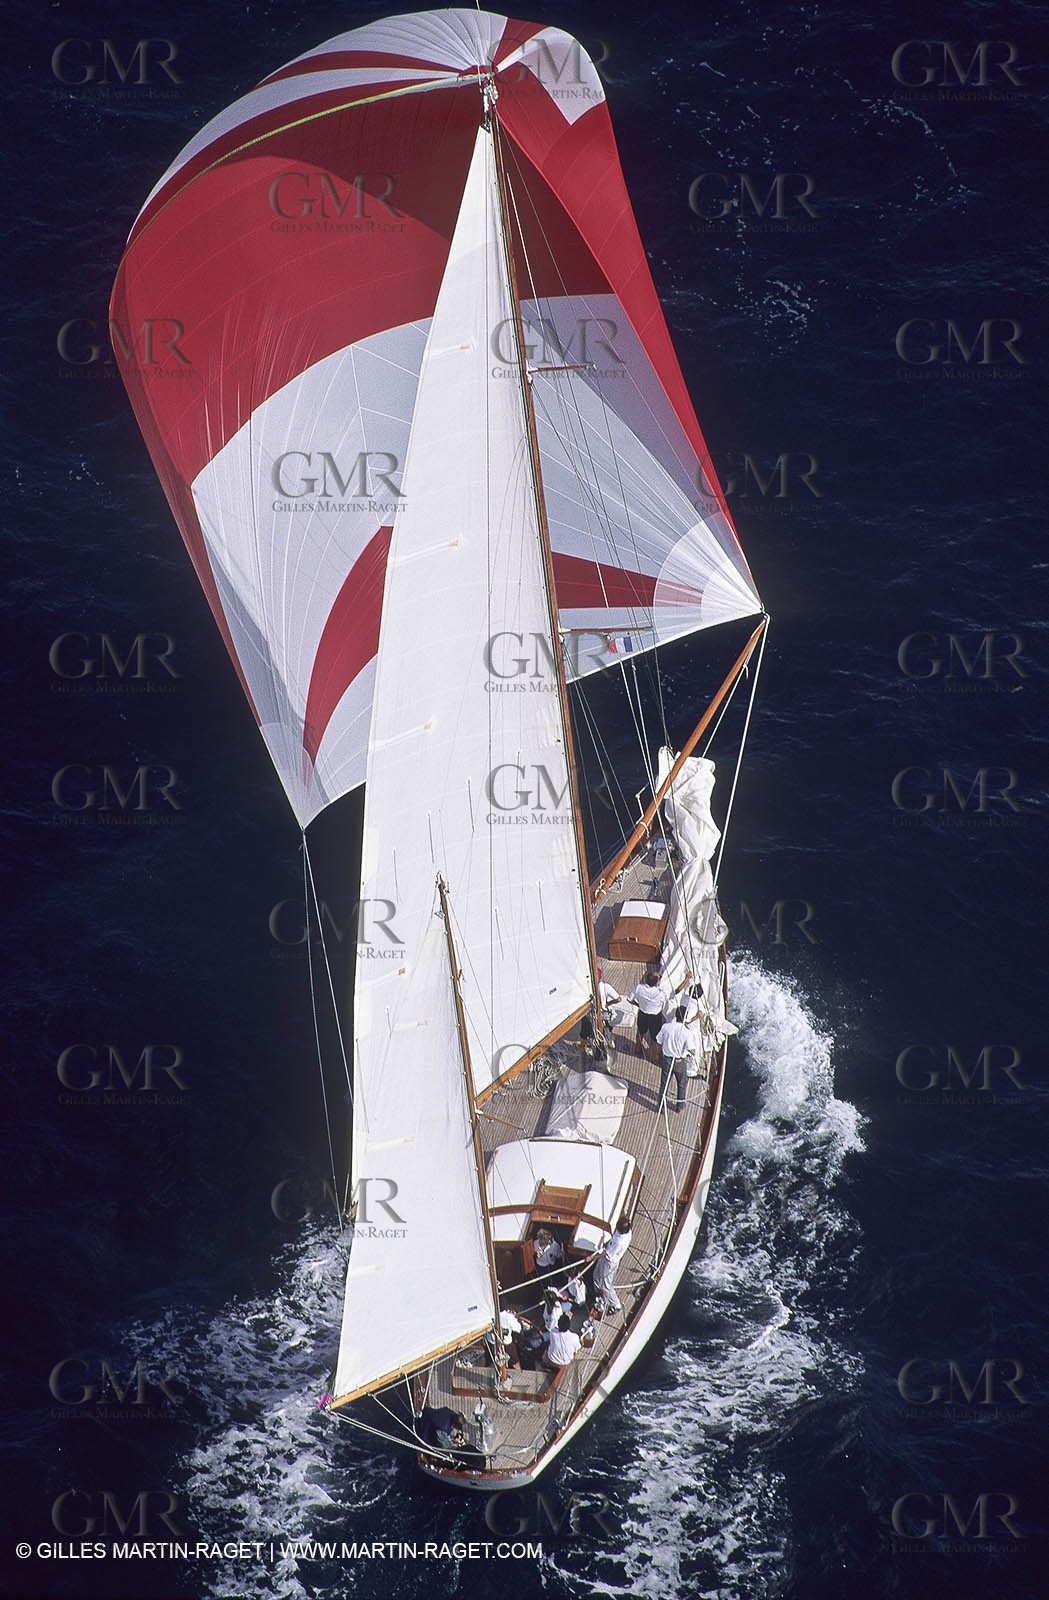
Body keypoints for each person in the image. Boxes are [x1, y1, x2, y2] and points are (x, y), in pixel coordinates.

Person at [656, 1006, 699, 1111]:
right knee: (682, 1083)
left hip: (667, 1060)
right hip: (679, 1062)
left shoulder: (666, 1027)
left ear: (676, 1015)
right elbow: (692, 1050)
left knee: (664, 1083)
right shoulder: (687, 1032)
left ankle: (661, 1106)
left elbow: (658, 1041)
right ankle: (680, 1106)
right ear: (685, 1017)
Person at [629, 970, 673, 1062]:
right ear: (657, 982)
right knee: (655, 1039)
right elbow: (675, 992)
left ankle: (637, 1048)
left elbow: (629, 999)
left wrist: (638, 1005)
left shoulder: (639, 988)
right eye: (659, 977)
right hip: (655, 1017)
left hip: (642, 1013)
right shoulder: (661, 994)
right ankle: (655, 1057)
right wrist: (686, 979)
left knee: (640, 1032)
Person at [591, 1217, 632, 1314]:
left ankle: (616, 1304)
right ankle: (598, 1293)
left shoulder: (619, 1242)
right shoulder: (628, 1231)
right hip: (607, 1256)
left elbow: (606, 1253)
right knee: (596, 1275)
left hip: (610, 1262)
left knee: (606, 1286)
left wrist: (591, 1257)